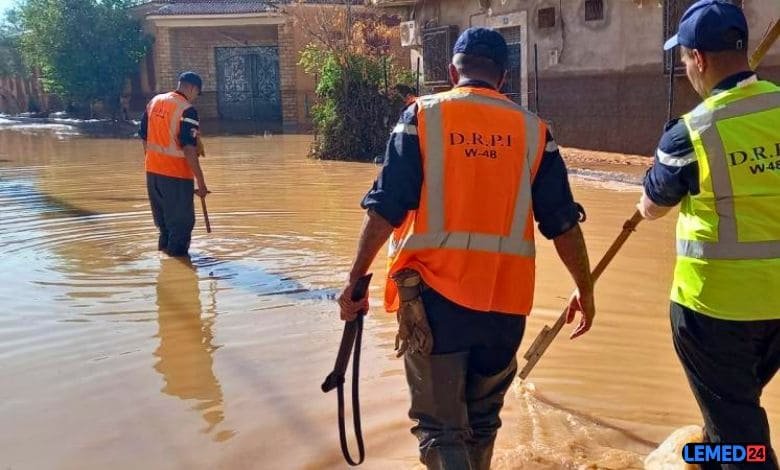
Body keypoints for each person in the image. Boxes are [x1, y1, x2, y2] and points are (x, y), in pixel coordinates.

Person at [338, 27, 594, 469]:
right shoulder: (535, 132)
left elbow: (385, 207)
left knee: (441, 431)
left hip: (436, 302)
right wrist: (584, 290)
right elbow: (563, 223)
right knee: (482, 423)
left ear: (452, 72)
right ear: (504, 76)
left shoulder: (422, 117)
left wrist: (354, 281)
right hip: (506, 307)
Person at [639, 2, 780, 468]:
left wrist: (649, 189)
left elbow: (653, 207)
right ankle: (705, 454)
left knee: (740, 436)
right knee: (734, 410)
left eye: (683, 59)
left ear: (697, 58)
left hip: (714, 311)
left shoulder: (691, 133)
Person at [139, 71, 209, 257]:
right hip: (176, 176)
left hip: (153, 174)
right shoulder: (187, 110)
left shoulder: (154, 102)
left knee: (165, 228)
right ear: (192, 88)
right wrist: (201, 183)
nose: (195, 98)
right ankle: (179, 271)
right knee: (180, 227)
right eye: (197, 93)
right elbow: (189, 148)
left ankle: (165, 265)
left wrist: (153, 162)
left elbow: (144, 137)